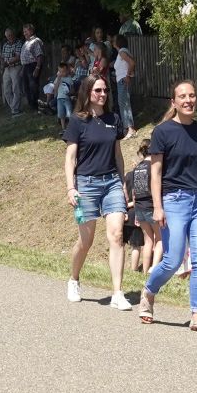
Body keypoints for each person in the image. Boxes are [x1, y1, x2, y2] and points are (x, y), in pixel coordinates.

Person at [139, 80, 197, 333]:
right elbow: (155, 172)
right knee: (173, 260)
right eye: (182, 97)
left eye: (192, 96)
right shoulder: (163, 132)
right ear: (173, 102)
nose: (188, 100)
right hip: (173, 201)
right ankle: (149, 291)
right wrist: (157, 206)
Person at [62, 72, 132, 309]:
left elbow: (118, 155)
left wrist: (122, 183)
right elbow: (70, 158)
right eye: (98, 90)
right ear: (88, 92)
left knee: (117, 235)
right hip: (86, 184)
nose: (103, 94)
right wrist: (71, 188)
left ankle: (117, 293)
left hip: (112, 182)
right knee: (86, 240)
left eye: (105, 90)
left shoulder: (114, 118)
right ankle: (74, 279)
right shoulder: (77, 121)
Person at [124, 137, 160, 275]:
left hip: (139, 207)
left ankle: (144, 271)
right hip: (152, 206)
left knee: (148, 239)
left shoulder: (137, 168)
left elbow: (134, 192)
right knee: (160, 238)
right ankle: (154, 269)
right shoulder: (154, 166)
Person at [113, 34, 136, 131]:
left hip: (123, 80)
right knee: (123, 103)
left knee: (124, 104)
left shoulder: (122, 52)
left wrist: (127, 75)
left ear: (118, 42)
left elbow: (132, 63)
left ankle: (130, 129)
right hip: (121, 80)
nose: (113, 41)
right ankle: (127, 129)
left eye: (114, 40)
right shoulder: (121, 52)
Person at [20, 25, 45, 114]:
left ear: (31, 31)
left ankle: (36, 107)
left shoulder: (36, 41)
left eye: (26, 31)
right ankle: (32, 106)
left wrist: (37, 68)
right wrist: (23, 69)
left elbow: (39, 55)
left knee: (33, 86)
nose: (24, 33)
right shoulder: (26, 42)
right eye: (23, 32)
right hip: (26, 66)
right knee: (26, 87)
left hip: (33, 65)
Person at [0, 28, 24, 115]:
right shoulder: (5, 45)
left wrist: (7, 63)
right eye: (7, 36)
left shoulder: (19, 43)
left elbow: (18, 57)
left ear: (14, 34)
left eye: (10, 35)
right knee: (6, 90)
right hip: (7, 69)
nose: (9, 37)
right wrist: (3, 65)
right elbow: (2, 57)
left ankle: (15, 110)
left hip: (16, 67)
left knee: (16, 88)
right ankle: (14, 108)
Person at [52, 61, 76, 129]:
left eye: (64, 71)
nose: (62, 73)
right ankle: (63, 128)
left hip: (67, 98)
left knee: (69, 113)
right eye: (60, 71)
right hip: (59, 98)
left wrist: (70, 92)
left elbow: (72, 90)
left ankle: (71, 127)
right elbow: (55, 88)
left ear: (67, 71)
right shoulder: (58, 79)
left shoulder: (69, 79)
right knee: (61, 114)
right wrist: (58, 79)